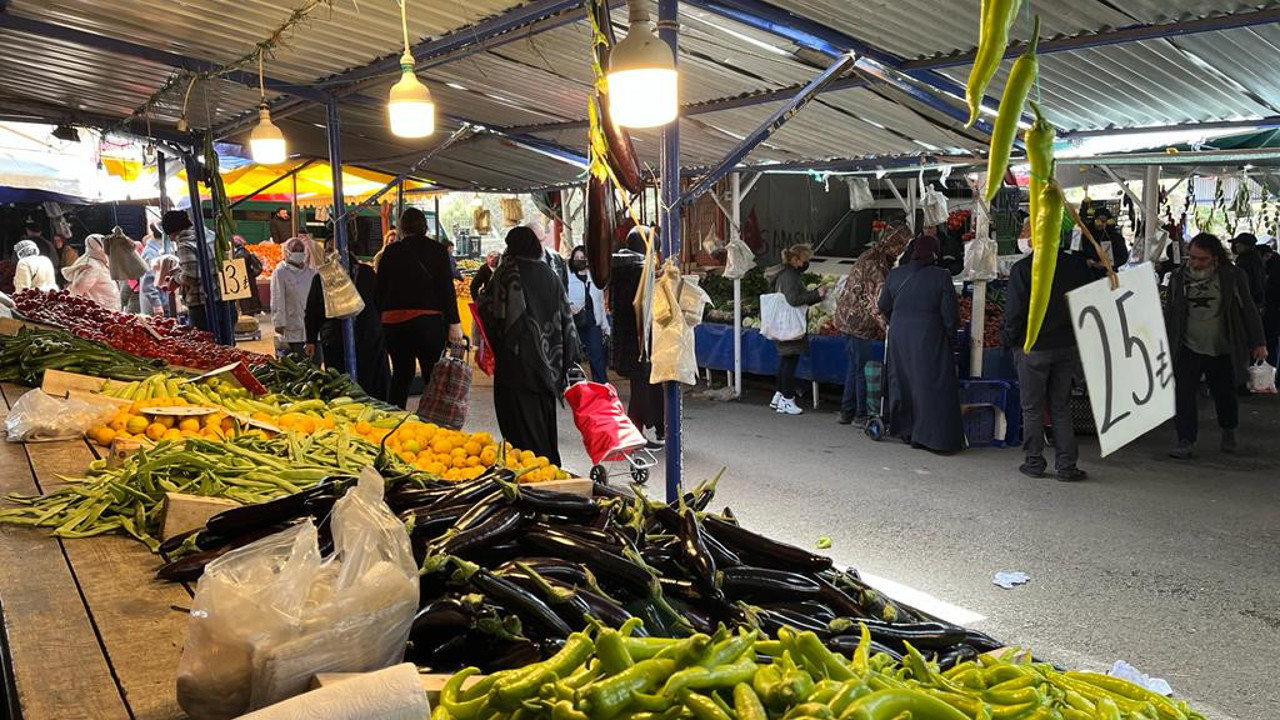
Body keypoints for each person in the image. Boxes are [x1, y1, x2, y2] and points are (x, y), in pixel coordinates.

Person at [478, 226, 579, 465]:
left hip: (516, 365)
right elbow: (566, 321)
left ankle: (528, 473)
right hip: (548, 365)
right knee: (543, 424)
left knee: (518, 428)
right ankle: (549, 469)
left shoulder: (507, 272)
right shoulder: (549, 274)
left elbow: (491, 312)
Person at [1165, 233, 1267, 459]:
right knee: (1183, 394)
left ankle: (1229, 429)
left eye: (1202, 259)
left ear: (1215, 257)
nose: (1195, 263)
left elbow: (1248, 309)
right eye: (1192, 257)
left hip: (1222, 346)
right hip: (1187, 345)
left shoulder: (1232, 276)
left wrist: (1258, 342)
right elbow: (1171, 311)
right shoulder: (1179, 277)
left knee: (1225, 394)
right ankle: (1185, 439)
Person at [1002, 246, 1093, 481]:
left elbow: (1014, 312)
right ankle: (1067, 465)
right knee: (1060, 406)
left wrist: (1010, 341)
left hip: (1032, 347)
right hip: (1065, 345)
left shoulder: (1024, 268)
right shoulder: (1075, 266)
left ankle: (1034, 462)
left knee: (1032, 408)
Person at [878, 234, 963, 453]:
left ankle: (906, 430)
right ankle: (929, 437)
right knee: (930, 385)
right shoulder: (941, 276)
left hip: (899, 336)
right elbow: (949, 315)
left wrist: (897, 321)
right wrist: (951, 337)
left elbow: (883, 305)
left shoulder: (895, 274)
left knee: (903, 382)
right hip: (929, 336)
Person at [375, 207, 463, 409]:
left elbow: (379, 290)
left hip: (394, 323)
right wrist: (454, 322)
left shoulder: (391, 251)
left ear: (402, 228)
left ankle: (395, 416)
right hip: (428, 322)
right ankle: (431, 417)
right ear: (425, 227)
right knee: (431, 374)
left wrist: (381, 318)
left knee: (401, 373)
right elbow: (446, 289)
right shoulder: (438, 250)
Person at [833, 222, 910, 426]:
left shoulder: (872, 255)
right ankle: (860, 414)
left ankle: (847, 411)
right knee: (861, 369)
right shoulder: (875, 264)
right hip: (858, 322)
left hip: (848, 318)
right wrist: (889, 327)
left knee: (854, 367)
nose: (901, 251)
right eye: (900, 246)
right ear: (892, 243)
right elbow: (876, 301)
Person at [305, 249, 391, 402]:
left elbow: (380, 300)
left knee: (365, 381)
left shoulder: (366, 274)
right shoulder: (322, 278)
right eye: (328, 250)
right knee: (342, 382)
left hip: (367, 337)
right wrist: (310, 339)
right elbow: (313, 310)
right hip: (339, 339)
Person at [611, 227, 664, 447]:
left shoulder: (622, 267)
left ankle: (653, 429)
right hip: (640, 340)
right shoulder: (639, 271)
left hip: (628, 338)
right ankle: (636, 435)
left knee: (645, 387)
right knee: (642, 389)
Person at [766, 244, 826, 416]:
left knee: (786, 361)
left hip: (783, 324)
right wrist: (816, 294)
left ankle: (779, 396)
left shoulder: (785, 274)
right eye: (804, 260)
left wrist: (814, 295)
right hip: (789, 326)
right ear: (795, 259)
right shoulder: (790, 276)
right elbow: (793, 299)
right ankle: (787, 399)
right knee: (790, 362)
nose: (805, 264)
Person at [159, 210, 218, 331]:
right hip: (221, 299)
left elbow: (191, 276)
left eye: (169, 235)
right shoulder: (209, 234)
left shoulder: (185, 244)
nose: (171, 239)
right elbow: (203, 264)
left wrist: (175, 280)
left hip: (202, 305)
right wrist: (180, 269)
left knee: (204, 339)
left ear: (173, 232)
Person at [566, 245, 611, 383]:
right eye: (576, 258)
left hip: (593, 320)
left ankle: (601, 386)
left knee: (597, 357)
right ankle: (576, 387)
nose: (579, 260)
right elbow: (561, 297)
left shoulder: (595, 278)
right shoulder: (567, 277)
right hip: (574, 322)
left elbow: (600, 303)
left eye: (582, 258)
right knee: (574, 357)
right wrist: (570, 305)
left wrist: (605, 326)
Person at [270, 238, 315, 356]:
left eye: (301, 250)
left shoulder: (310, 273)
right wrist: (279, 323)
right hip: (291, 327)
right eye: (295, 250)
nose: (298, 253)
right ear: (287, 252)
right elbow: (277, 298)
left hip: (310, 328)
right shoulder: (280, 272)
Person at [63, 234, 120, 311]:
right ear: (98, 247)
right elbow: (76, 289)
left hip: (109, 310)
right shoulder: (93, 266)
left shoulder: (101, 262)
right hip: (99, 312)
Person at [1080, 207, 1129, 274]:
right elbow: (1079, 254)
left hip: (1109, 274)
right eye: (1098, 221)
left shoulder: (1115, 237)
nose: (1100, 224)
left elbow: (1123, 257)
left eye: (1103, 221)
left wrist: (1109, 263)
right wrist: (1086, 261)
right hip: (1090, 274)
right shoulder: (1087, 236)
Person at [1230, 233, 1266, 316]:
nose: (1236, 245)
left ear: (1246, 246)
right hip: (1256, 301)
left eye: (1239, 243)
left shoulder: (1245, 263)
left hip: (1248, 301)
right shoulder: (1256, 259)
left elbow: (1244, 284)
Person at [230, 235, 265, 315]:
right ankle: (253, 310)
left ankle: (249, 312)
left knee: (247, 300)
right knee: (251, 296)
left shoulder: (240, 254)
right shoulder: (245, 252)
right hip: (249, 278)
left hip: (245, 279)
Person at [1259, 239, 1280, 366]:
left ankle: (1272, 368)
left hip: (1272, 311)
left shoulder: (1273, 269)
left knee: (1272, 342)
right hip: (1273, 310)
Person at [139, 228, 167, 317]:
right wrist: (157, 304)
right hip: (157, 306)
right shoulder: (151, 253)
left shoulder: (158, 250)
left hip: (162, 302)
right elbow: (149, 281)